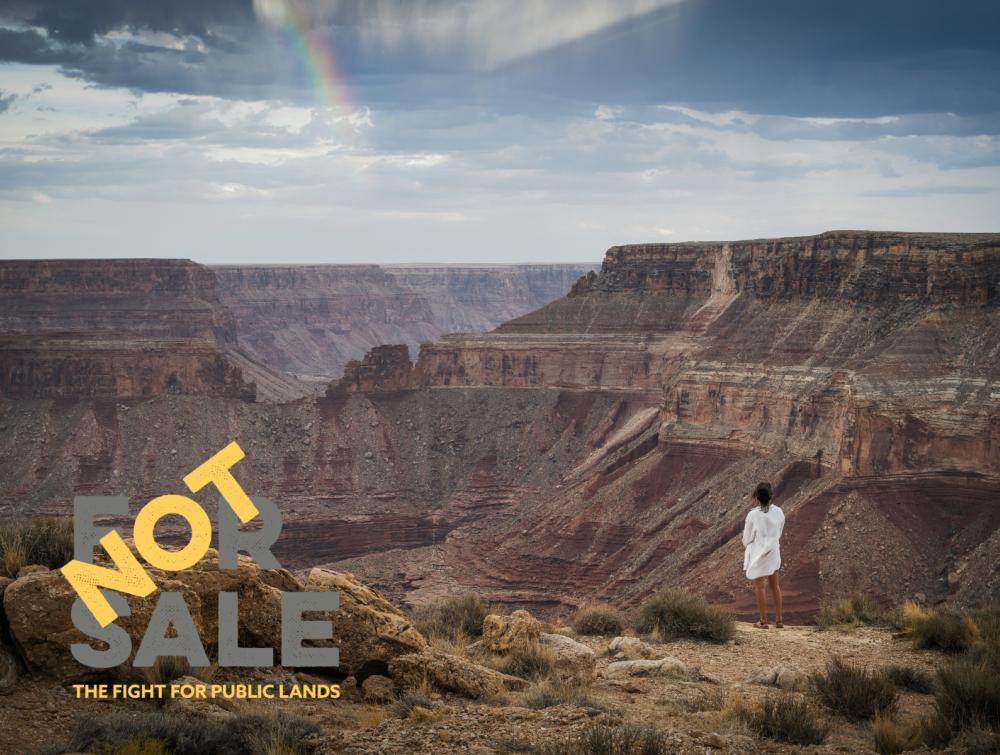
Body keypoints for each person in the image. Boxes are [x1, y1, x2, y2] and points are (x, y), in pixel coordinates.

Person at [742, 481, 785, 628]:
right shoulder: (778, 512)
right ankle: (779, 620)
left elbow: (747, 538)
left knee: (760, 587)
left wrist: (752, 544)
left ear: (757, 497)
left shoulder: (752, 515)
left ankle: (763, 621)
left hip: (758, 554)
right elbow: (779, 531)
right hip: (773, 551)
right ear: (770, 495)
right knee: (775, 585)